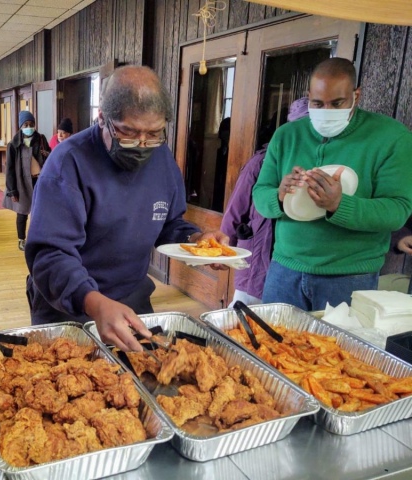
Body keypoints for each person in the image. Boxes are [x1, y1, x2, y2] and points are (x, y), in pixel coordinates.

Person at [25, 65, 228, 351]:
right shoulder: (68, 164)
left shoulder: (161, 157)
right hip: (70, 303)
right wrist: (94, 302)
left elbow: (169, 223)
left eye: (154, 133)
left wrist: (196, 240)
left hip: (132, 297)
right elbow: (49, 255)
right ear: (102, 118)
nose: (142, 145)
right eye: (128, 133)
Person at [252, 58, 412, 311]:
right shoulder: (286, 135)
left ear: (356, 96)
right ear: (309, 97)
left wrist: (339, 204)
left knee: (337, 340)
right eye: (318, 103)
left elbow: (397, 211)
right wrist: (279, 197)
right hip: (284, 269)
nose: (326, 110)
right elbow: (260, 194)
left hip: (349, 275)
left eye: (337, 103)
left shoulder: (391, 137)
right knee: (270, 337)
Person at [221, 97, 309, 306]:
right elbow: (236, 209)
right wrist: (223, 251)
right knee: (246, 314)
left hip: (295, 264)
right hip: (259, 257)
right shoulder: (261, 162)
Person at [3, 111, 51, 251]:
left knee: (39, 211)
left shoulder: (40, 139)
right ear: (20, 126)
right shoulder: (13, 144)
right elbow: (9, 169)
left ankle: (37, 238)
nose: (29, 127)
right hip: (21, 183)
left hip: (38, 181)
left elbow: (50, 157)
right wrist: (12, 190)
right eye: (26, 125)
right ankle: (21, 239)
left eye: (31, 124)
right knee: (22, 211)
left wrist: (47, 154)